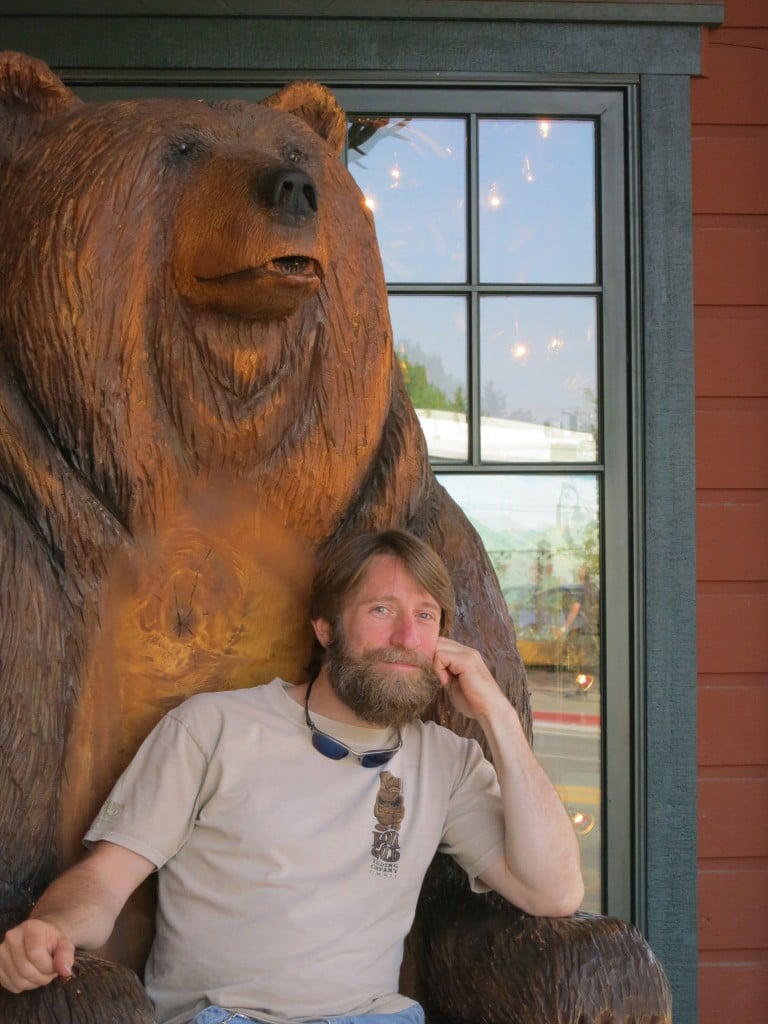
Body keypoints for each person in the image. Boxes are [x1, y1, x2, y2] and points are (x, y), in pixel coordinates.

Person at [0, 528, 583, 1024]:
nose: (407, 638)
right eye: (382, 610)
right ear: (326, 628)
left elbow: (553, 892)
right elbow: (103, 880)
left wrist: (497, 715)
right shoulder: (215, 727)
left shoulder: (447, 761)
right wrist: (50, 927)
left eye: (425, 616)